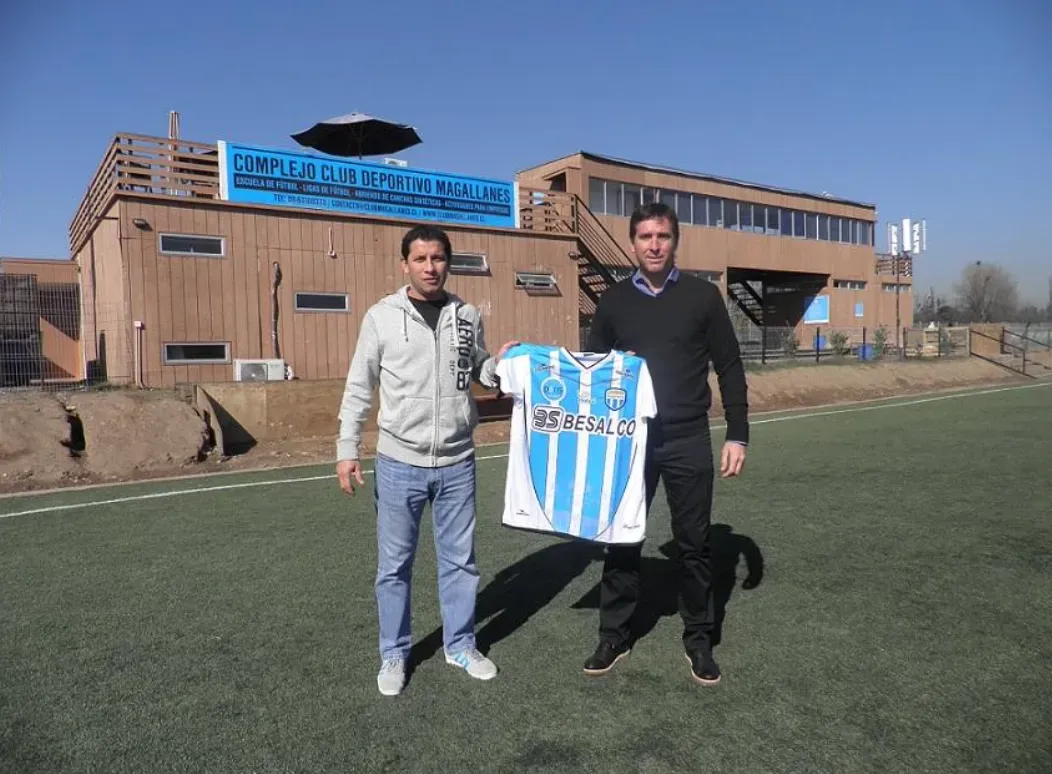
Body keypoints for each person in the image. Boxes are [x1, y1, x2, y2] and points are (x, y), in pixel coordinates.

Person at [336, 223, 516, 697]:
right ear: (405, 265)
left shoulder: (466, 314)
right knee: (394, 566)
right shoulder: (381, 317)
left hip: (458, 461)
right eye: (420, 259)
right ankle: (394, 653)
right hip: (399, 463)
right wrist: (346, 449)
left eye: (437, 258)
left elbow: (476, 368)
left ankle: (460, 644)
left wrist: (499, 366)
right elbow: (360, 386)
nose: (430, 267)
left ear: (447, 263)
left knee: (461, 562)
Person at [583, 201, 749, 685]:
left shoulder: (703, 297)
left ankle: (699, 639)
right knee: (621, 538)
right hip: (629, 440)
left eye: (663, 236)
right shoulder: (613, 301)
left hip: (687, 436)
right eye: (645, 237)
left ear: (675, 242)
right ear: (632, 242)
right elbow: (593, 370)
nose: (654, 245)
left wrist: (738, 432)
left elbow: (730, 365)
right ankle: (614, 635)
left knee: (694, 546)